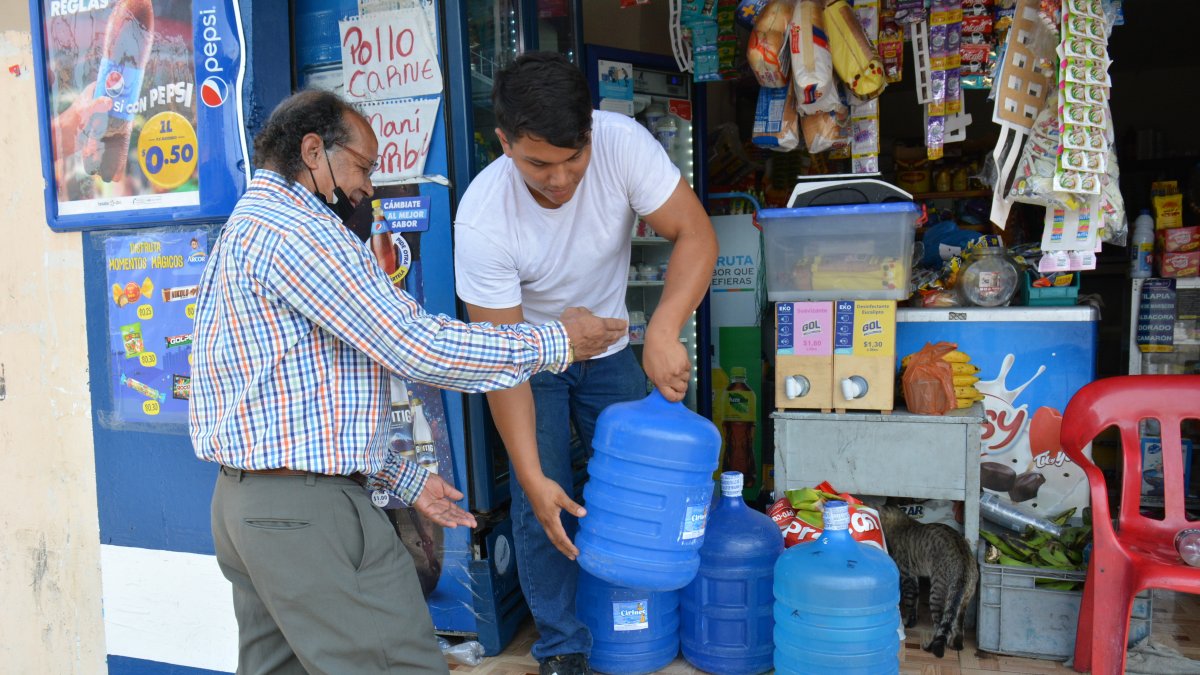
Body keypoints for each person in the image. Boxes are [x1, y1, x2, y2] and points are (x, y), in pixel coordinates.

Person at [189, 89, 627, 675]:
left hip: (250, 506)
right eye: (364, 167)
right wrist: (559, 342)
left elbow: (294, 391)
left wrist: (400, 475)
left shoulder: (248, 227)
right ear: (313, 151)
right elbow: (414, 345)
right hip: (305, 516)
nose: (369, 186)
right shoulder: (299, 231)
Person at [453, 53, 719, 675]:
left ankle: (657, 603)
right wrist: (529, 472)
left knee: (648, 470)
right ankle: (562, 645)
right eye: (537, 163)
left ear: (591, 134)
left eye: (573, 159)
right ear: (504, 143)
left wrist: (663, 329)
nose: (560, 179)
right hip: (531, 357)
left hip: (608, 344)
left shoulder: (623, 145)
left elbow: (695, 233)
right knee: (542, 492)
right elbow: (503, 363)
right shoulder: (483, 218)